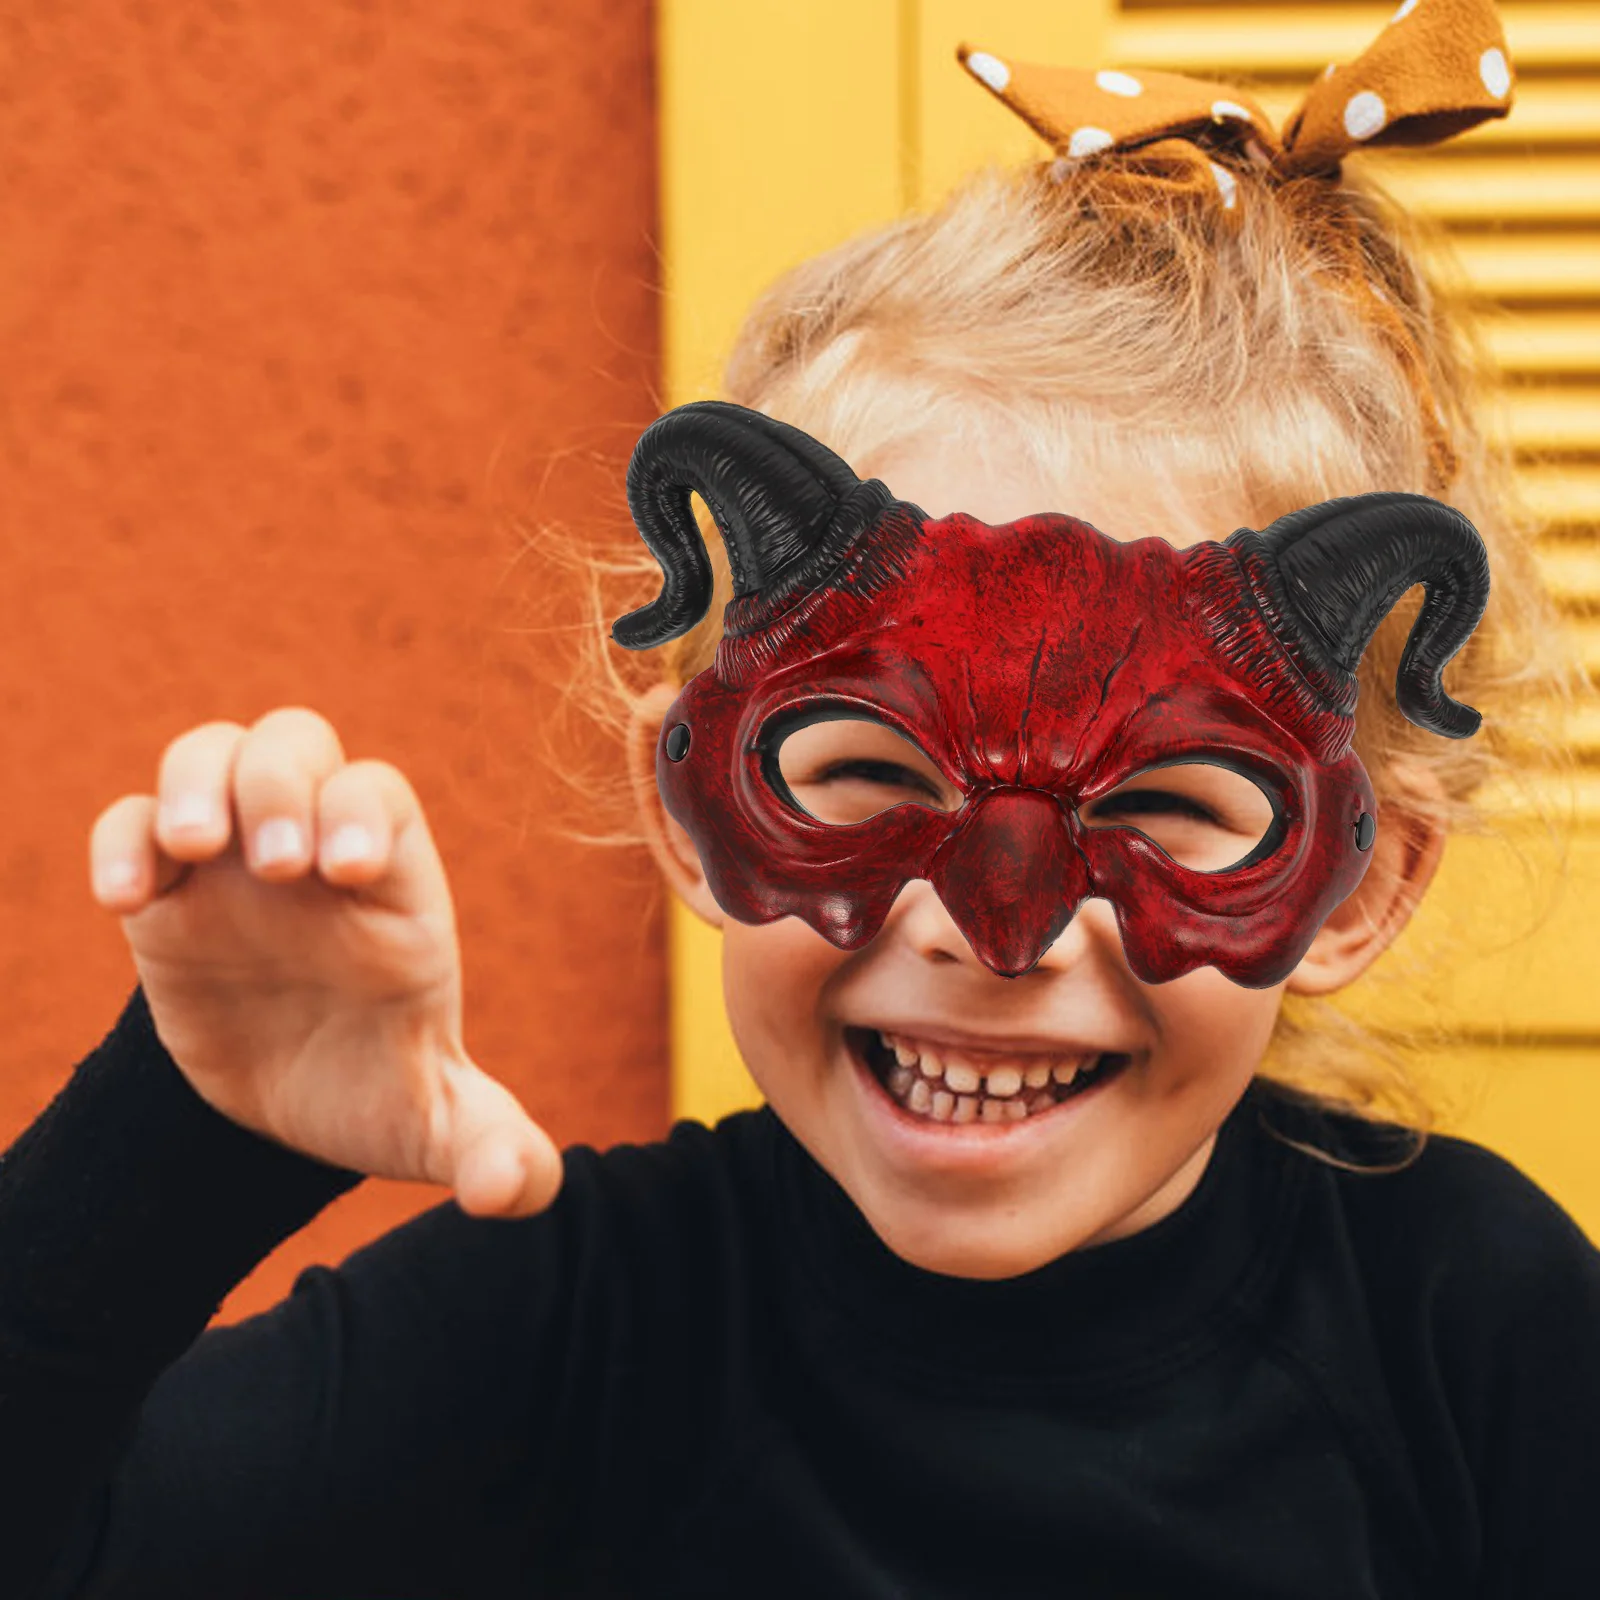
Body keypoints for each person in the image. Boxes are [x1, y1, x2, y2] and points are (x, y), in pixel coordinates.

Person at [5, 0, 1598, 1594]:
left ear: (1360, 884)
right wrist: (186, 1137)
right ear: (687, 796)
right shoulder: (577, 1324)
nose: (997, 927)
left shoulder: (1478, 1334)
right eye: (870, 771)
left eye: (1168, 801)